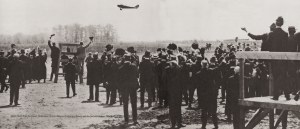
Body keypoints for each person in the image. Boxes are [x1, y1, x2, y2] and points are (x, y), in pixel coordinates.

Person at [268, 16, 289, 100]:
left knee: (276, 77)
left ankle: (276, 95)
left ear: (276, 22)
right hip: (282, 60)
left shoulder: (271, 34)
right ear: (282, 23)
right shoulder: (285, 34)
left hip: (274, 60)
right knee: (283, 77)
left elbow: (269, 46)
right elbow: (286, 47)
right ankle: (287, 95)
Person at [197, 60, 219, 129]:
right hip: (212, 94)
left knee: (204, 111)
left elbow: (197, 86)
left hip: (203, 95)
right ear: (207, 65)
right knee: (213, 111)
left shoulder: (198, 74)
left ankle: (203, 126)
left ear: (201, 65)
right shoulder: (211, 71)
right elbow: (217, 68)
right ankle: (216, 125)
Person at [119, 53, 139, 124]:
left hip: (124, 88)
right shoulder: (134, 67)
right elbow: (137, 75)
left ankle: (126, 120)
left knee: (125, 104)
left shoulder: (121, 68)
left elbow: (120, 80)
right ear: (130, 59)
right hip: (133, 87)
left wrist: (120, 90)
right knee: (134, 103)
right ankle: (135, 119)